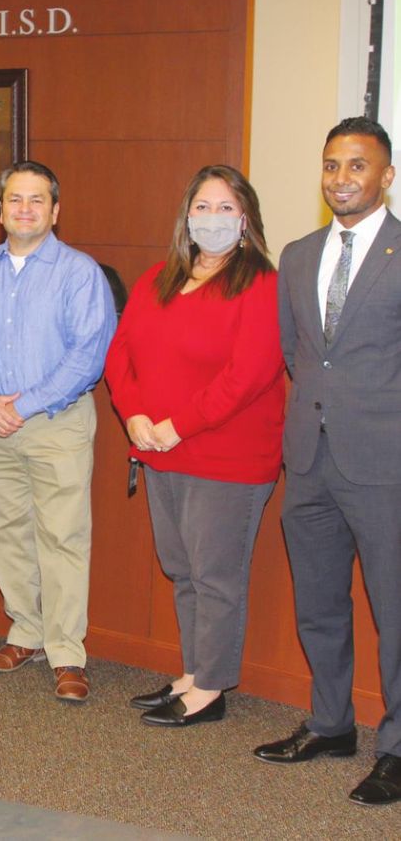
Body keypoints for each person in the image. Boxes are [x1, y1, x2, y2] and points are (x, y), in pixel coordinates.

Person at [254, 116, 401, 806]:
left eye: (358, 166)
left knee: (396, 613)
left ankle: (397, 750)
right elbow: (298, 354)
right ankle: (332, 724)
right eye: (332, 165)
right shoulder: (299, 254)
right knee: (319, 604)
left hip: (385, 466)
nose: (342, 178)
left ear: (386, 176)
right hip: (309, 461)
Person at [105, 165, 285, 726]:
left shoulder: (261, 285)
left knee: (215, 575)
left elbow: (248, 374)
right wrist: (134, 413)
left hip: (226, 458)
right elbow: (121, 353)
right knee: (182, 569)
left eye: (225, 208)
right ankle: (192, 671)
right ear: (187, 216)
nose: (212, 219)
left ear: (246, 219)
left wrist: (177, 425)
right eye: (202, 207)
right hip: (160, 451)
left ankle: (211, 686)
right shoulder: (159, 277)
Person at [0, 161, 115, 703]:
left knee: (62, 535)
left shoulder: (80, 273)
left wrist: (26, 404)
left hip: (56, 424)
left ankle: (65, 651)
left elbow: (90, 353)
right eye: (15, 199)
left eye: (37, 200)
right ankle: (26, 631)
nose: (25, 209)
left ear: (55, 210)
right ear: (0, 210)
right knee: (5, 529)